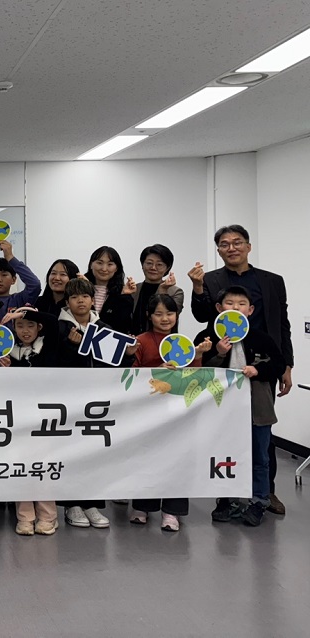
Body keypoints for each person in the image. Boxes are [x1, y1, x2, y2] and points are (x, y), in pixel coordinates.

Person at [188, 224, 294, 515]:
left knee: (262, 431)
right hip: (224, 366)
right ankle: (227, 494)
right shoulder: (210, 279)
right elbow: (201, 315)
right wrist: (197, 288)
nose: (231, 248)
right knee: (224, 433)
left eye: (237, 242)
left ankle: (266, 492)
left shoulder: (272, 281)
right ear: (218, 250)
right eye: (224, 244)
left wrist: (287, 364)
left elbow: (282, 324)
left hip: (261, 365)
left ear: (248, 246)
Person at [198, 286, 287, 527]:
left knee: (260, 457)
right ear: (219, 308)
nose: (235, 308)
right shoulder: (208, 337)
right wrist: (218, 354)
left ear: (250, 310)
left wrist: (258, 370)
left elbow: (279, 364)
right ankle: (227, 499)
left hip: (258, 409)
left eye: (241, 304)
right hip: (222, 411)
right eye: (229, 303)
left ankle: (259, 500)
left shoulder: (261, 338)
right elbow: (197, 370)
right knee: (225, 455)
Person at [56, 277, 137, 529]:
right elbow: (53, 364)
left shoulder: (104, 328)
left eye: (85, 296)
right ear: (67, 302)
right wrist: (70, 346)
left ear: (93, 300)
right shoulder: (59, 328)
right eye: (74, 297)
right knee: (71, 452)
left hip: (98, 401)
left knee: (95, 452)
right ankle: (72, 505)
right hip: (69, 401)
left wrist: (128, 356)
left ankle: (93, 504)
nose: (80, 301)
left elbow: (114, 364)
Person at [128, 293, 211, 531]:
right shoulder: (141, 341)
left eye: (170, 313)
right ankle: (142, 506)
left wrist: (198, 356)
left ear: (177, 315)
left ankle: (172, 511)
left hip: (177, 410)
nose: (165, 319)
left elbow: (195, 377)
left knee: (177, 458)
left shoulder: (184, 342)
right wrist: (156, 369)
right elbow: (131, 375)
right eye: (159, 314)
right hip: (147, 410)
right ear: (149, 316)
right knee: (146, 457)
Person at [0, 306, 59, 535]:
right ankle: (25, 517)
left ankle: (48, 517)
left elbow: (53, 321)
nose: (25, 330)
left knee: (43, 467)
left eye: (30, 325)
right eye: (20, 326)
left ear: (39, 327)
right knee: (21, 467)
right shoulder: (8, 353)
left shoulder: (48, 345)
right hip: (18, 418)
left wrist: (21, 313)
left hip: (45, 418)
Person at [130, 245, 183, 334]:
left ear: (167, 268)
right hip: (133, 338)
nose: (153, 268)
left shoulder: (175, 292)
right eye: (149, 263)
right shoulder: (133, 289)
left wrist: (163, 290)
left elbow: (170, 318)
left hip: (162, 340)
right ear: (142, 265)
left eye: (159, 264)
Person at [85, 246, 135, 334]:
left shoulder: (122, 292)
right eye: (99, 263)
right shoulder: (81, 288)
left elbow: (123, 326)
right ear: (91, 265)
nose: (104, 269)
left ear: (116, 268)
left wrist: (124, 296)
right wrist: (84, 288)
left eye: (110, 264)